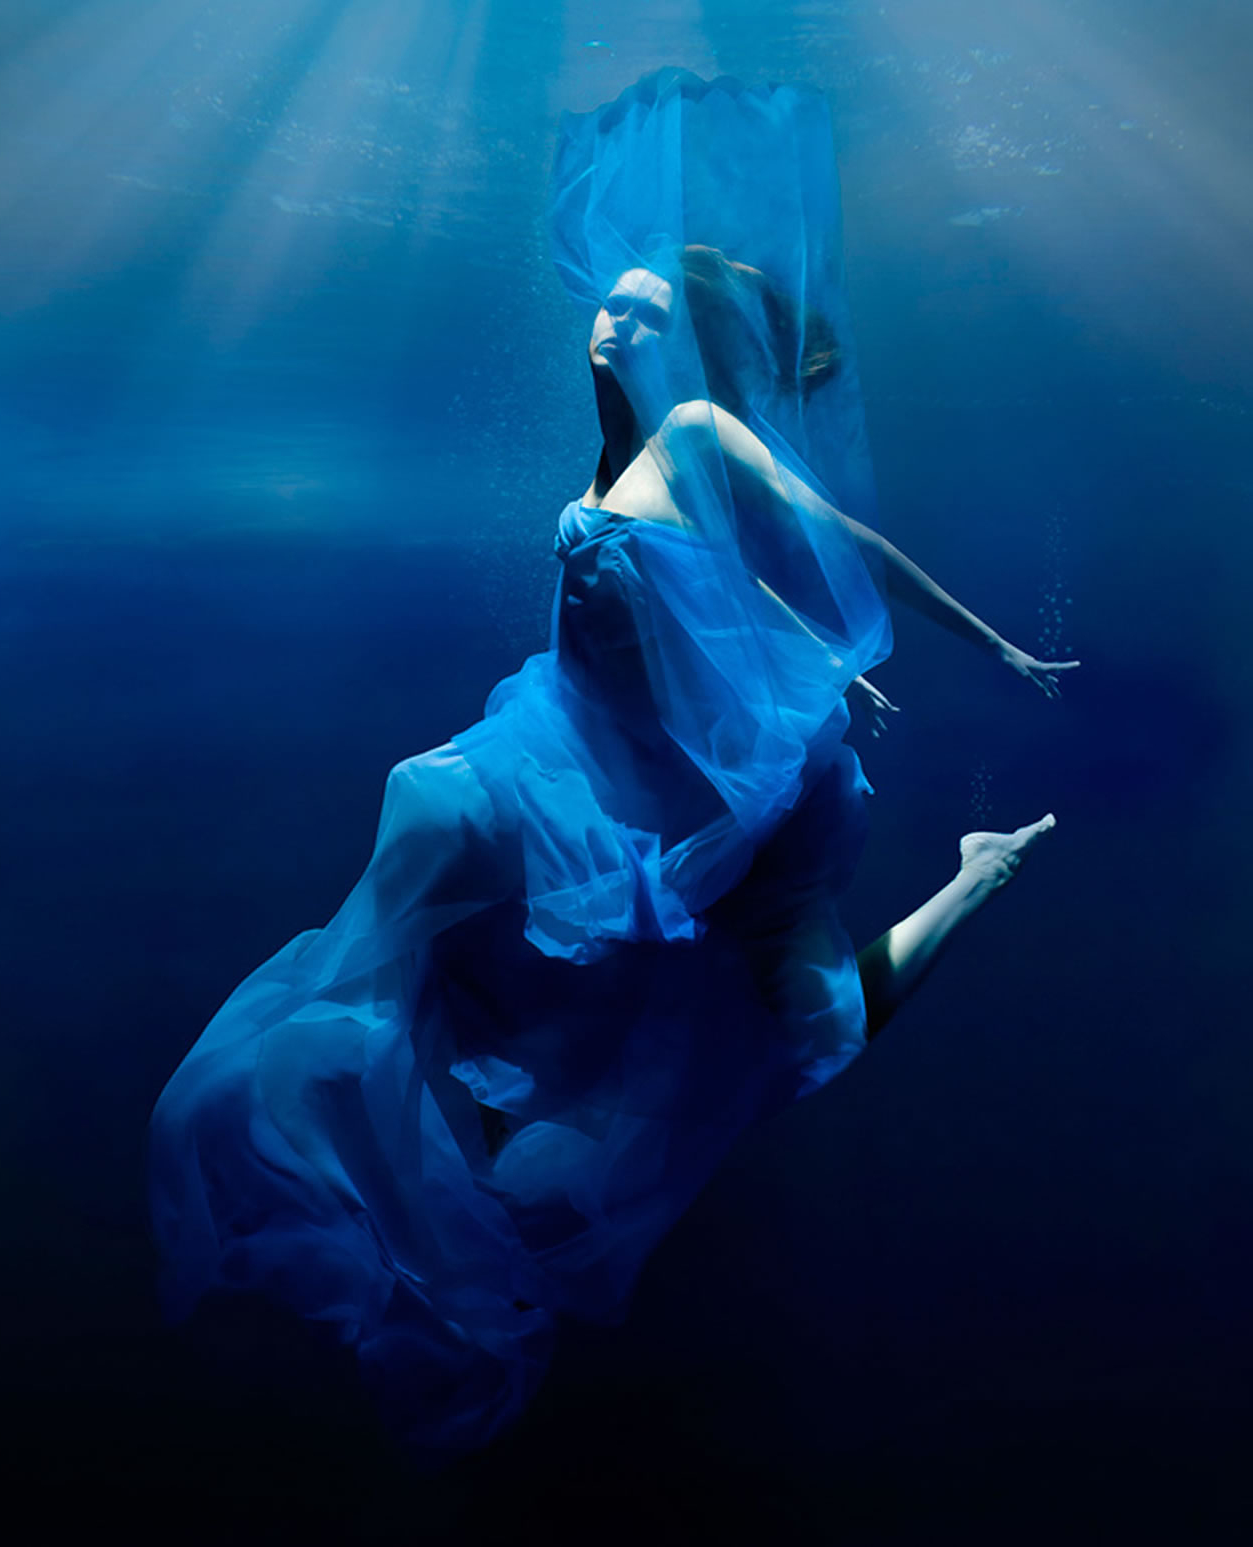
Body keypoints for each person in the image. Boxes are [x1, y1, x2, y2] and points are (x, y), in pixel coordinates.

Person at [147, 72, 1075, 1459]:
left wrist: (986, 642)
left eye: (641, 306)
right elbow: (692, 598)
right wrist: (811, 661)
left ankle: (975, 879)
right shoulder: (621, 461)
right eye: (607, 302)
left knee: (804, 1032)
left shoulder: (701, 434)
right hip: (577, 760)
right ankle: (343, 1072)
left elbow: (838, 554)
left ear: (684, 339)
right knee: (439, 827)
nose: (610, 317)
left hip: (691, 796)